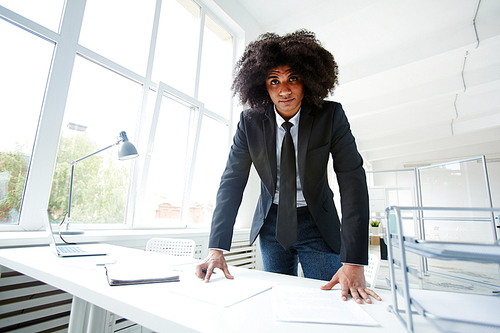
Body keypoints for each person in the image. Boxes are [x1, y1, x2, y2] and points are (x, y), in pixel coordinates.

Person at [195, 29, 380, 304]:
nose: (284, 89)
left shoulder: (331, 117)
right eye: (274, 81)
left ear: (308, 79)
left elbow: (353, 183)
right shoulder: (250, 122)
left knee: (333, 302)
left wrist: (354, 261)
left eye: (293, 78)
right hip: (272, 227)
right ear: (262, 86)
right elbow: (232, 182)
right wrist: (216, 247)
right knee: (279, 300)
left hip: (317, 224)